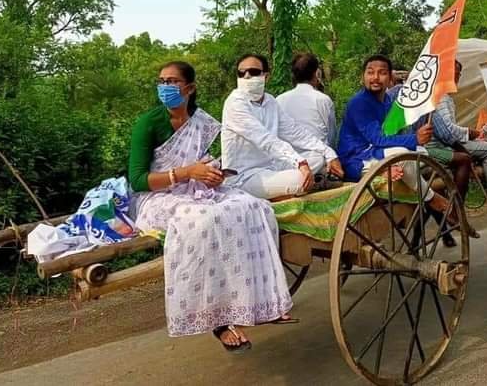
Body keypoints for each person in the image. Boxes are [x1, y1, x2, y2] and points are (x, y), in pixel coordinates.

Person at [128, 61, 293, 353]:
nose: (165, 87)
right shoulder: (147, 123)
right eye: (161, 81)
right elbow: (139, 180)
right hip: (159, 198)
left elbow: (200, 160)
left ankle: (259, 302)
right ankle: (218, 320)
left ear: (189, 89)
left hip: (196, 189)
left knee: (253, 206)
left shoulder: (200, 121)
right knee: (206, 220)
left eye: (173, 82)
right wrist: (186, 173)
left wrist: (211, 173)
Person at [337, 55, 477, 237]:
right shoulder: (359, 103)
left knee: (421, 152)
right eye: (370, 73)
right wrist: (414, 138)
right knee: (404, 152)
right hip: (357, 158)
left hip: (377, 152)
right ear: (363, 77)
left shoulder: (388, 101)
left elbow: (392, 133)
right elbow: (378, 139)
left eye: (382, 73)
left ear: (389, 78)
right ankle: (433, 199)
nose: (375, 78)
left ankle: (390, 168)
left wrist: (416, 140)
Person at [221, 54, 344, 200]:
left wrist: (329, 153)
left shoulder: (270, 101)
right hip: (245, 176)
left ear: (265, 77)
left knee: (318, 157)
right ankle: (287, 191)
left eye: (253, 72)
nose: (246, 76)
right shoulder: (235, 103)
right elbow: (265, 140)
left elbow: (295, 132)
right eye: (241, 73)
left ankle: (282, 191)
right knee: (299, 179)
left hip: (272, 167)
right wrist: (300, 162)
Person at [430, 60, 487, 212]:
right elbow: (447, 132)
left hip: (443, 143)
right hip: (443, 147)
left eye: (457, 73)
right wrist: (471, 133)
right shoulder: (440, 96)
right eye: (453, 72)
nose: (455, 76)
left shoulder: (441, 95)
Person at [276, 53, 338, 148]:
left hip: (286, 158)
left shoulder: (279, 100)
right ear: (316, 73)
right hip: (318, 158)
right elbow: (331, 136)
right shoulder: (323, 100)